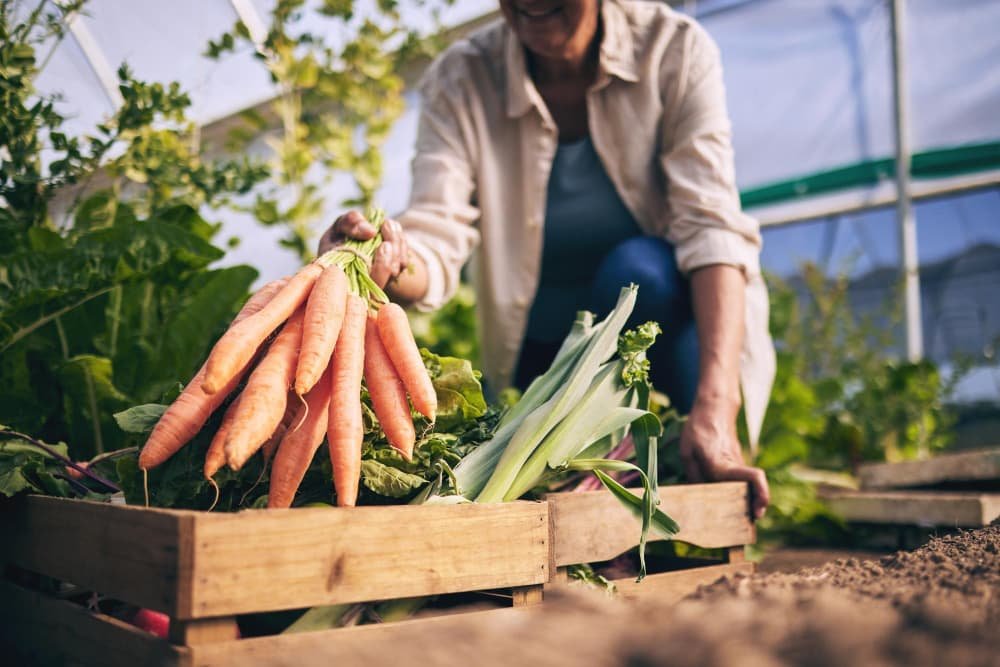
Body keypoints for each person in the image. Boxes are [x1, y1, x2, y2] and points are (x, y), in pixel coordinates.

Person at [319, 0, 775, 518]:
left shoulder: (673, 50)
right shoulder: (463, 76)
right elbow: (437, 229)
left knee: (639, 271)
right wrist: (391, 258)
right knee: (541, 492)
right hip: (541, 361)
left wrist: (717, 409)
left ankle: (684, 456)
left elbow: (711, 227)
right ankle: (609, 505)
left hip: (669, 340)